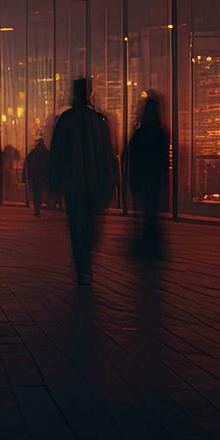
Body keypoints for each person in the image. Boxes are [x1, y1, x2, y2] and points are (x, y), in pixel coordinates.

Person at [49, 77, 118, 286]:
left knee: (75, 226)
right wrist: (110, 182)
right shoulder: (97, 121)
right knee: (89, 224)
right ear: (89, 94)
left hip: (72, 184)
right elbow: (107, 154)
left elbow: (57, 154)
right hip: (92, 184)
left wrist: (55, 181)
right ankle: (85, 263)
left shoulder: (66, 120)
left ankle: (81, 264)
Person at [125, 92, 169, 260]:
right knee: (152, 213)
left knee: (142, 213)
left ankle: (143, 244)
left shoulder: (139, 134)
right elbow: (163, 161)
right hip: (154, 180)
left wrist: (132, 180)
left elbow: (131, 157)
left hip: (141, 179)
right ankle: (152, 244)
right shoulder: (161, 134)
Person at [24, 136, 51, 217]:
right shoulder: (46, 152)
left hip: (36, 176)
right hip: (44, 176)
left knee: (36, 193)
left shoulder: (34, 152)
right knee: (44, 192)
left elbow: (28, 162)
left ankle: (37, 210)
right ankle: (49, 205)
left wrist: (29, 175)